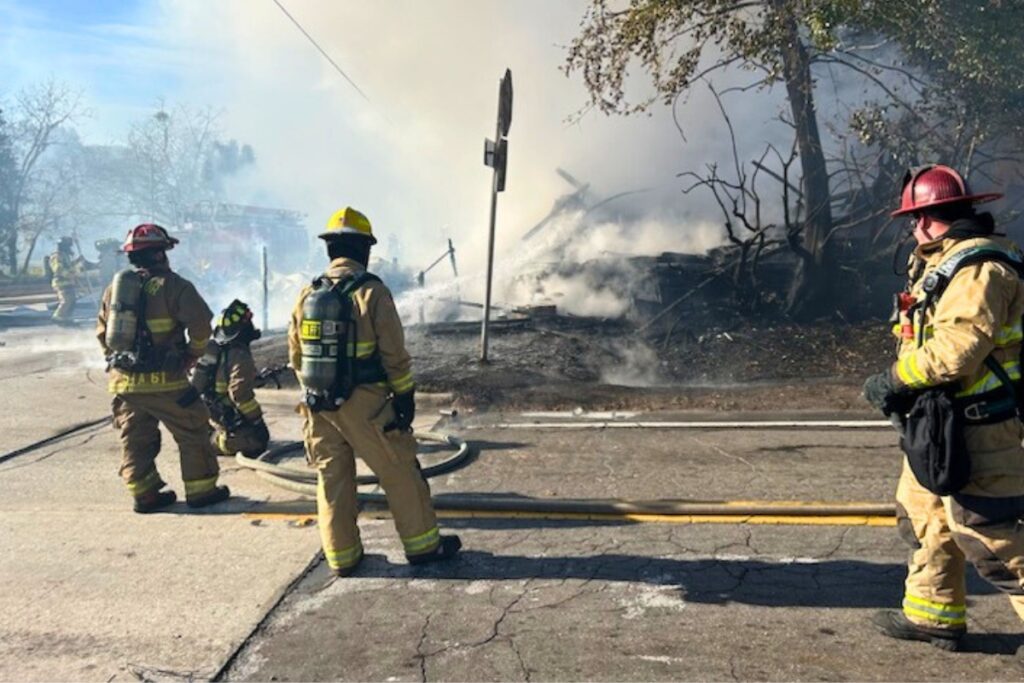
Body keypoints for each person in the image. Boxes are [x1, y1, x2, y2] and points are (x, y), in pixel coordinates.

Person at [863, 165, 1024, 651]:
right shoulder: (942, 262)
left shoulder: (979, 269)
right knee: (925, 518)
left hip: (982, 425)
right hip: (939, 421)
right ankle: (933, 615)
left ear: (932, 217)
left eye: (915, 218)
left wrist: (893, 380)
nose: (912, 229)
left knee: (994, 537)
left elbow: (957, 350)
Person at [288, 206, 461, 576]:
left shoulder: (307, 293)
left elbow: (295, 355)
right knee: (398, 470)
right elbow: (394, 353)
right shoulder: (372, 292)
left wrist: (316, 393)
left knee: (332, 481)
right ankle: (423, 546)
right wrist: (404, 398)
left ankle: (342, 558)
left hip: (318, 405)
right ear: (365, 249)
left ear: (329, 250)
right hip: (365, 405)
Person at [96, 223, 229, 513]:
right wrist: (192, 355)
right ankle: (201, 490)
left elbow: (103, 335)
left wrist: (119, 364)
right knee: (193, 430)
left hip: (125, 384)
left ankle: (144, 495)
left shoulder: (115, 291)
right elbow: (201, 327)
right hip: (167, 381)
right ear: (160, 254)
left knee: (135, 437)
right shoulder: (176, 286)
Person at [196, 299, 270, 458]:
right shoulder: (240, 355)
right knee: (258, 442)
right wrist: (257, 421)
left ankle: (209, 434)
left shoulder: (220, 350)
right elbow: (240, 394)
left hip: (211, 413)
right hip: (226, 417)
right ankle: (214, 443)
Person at [48, 236, 85, 325]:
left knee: (72, 301)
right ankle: (57, 317)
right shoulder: (56, 256)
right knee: (66, 301)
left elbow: (68, 266)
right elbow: (58, 269)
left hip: (69, 282)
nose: (69, 248)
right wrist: (69, 275)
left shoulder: (64, 255)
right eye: (68, 246)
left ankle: (66, 318)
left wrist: (77, 261)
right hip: (61, 282)